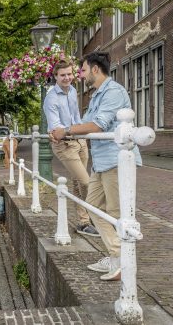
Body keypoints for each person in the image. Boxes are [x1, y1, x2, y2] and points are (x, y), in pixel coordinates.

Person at [52, 51, 142, 281]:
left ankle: (121, 260)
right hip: (101, 162)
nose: (79, 75)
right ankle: (115, 256)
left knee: (115, 212)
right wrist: (61, 133)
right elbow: (84, 124)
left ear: (94, 69)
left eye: (81, 70)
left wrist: (67, 131)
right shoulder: (96, 95)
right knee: (92, 207)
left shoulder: (113, 92)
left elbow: (98, 126)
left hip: (116, 160)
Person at [44, 60, 99, 237]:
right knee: (86, 182)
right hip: (65, 144)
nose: (67, 78)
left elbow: (76, 117)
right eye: (63, 75)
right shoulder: (51, 98)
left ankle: (83, 223)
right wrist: (62, 132)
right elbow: (56, 127)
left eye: (69, 74)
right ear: (56, 77)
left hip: (80, 141)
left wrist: (82, 132)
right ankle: (99, 219)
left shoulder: (73, 91)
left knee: (77, 182)